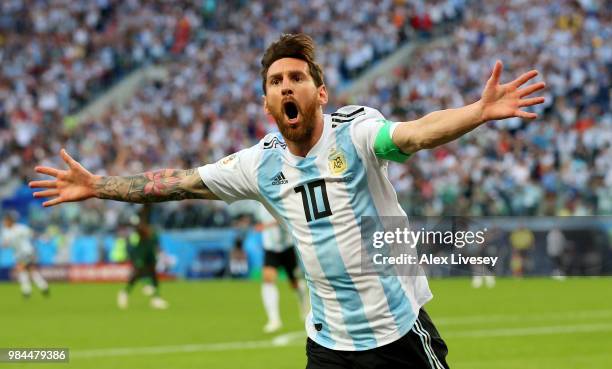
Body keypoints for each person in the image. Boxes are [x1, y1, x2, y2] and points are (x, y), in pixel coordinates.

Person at [30, 33, 545, 368]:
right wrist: (98, 186)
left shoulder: (357, 133)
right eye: (276, 82)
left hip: (397, 336)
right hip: (328, 345)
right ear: (267, 103)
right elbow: (178, 182)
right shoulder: (261, 163)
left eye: (296, 77)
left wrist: (477, 112)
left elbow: (415, 135)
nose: (286, 86)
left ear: (320, 93)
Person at [255, 204, 308, 333]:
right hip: (270, 248)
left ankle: (304, 306)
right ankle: (274, 320)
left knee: (294, 283)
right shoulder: (259, 204)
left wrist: (267, 226)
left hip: (287, 247)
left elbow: (287, 219)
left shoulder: (280, 200)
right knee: (268, 279)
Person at [117, 204, 169, 309]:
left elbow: (152, 233)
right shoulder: (140, 215)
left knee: (152, 272)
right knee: (138, 272)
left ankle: (155, 298)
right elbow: (138, 229)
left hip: (149, 247)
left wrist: (159, 250)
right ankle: (125, 292)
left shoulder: (152, 213)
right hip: (141, 248)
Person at [1, 211, 49, 298]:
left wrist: (42, 238)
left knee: (22, 270)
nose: (4, 222)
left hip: (26, 252)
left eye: (5, 221)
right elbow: (6, 244)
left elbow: (32, 234)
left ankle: (27, 291)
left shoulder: (20, 228)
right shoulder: (6, 232)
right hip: (19, 254)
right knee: (30, 270)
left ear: (10, 221)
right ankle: (43, 286)